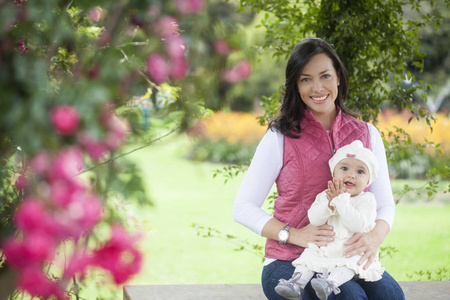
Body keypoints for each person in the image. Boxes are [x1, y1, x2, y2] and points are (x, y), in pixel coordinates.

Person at [233, 38, 405, 300]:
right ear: (296, 86)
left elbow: (385, 204)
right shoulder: (280, 136)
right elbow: (243, 207)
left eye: (325, 76)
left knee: (392, 297)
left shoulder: (368, 133)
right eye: (305, 79)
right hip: (291, 262)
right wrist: (295, 234)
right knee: (350, 298)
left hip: (349, 259)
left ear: (338, 77)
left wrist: (374, 237)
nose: (317, 87)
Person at [275, 140, 385, 300]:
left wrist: (340, 202)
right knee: (309, 256)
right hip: (327, 246)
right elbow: (314, 219)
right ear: (334, 173)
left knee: (352, 264)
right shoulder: (326, 195)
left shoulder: (367, 200)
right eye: (344, 168)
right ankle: (296, 284)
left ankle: (329, 283)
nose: (351, 175)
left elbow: (357, 224)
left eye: (360, 171)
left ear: (369, 181)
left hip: (350, 249)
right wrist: (328, 205)